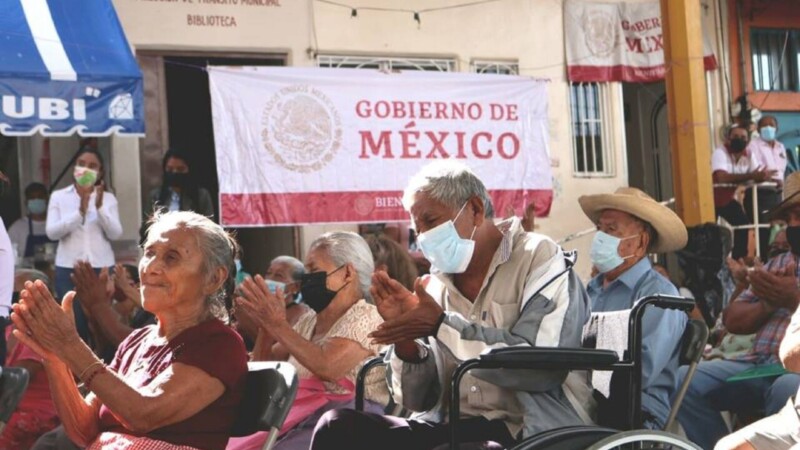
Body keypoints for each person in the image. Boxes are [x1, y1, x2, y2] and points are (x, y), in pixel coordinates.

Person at [310, 161, 592, 450]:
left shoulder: (538, 257)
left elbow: (541, 366)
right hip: (450, 425)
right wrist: (405, 338)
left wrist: (440, 325)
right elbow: (416, 401)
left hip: (526, 428)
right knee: (337, 427)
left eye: (430, 222)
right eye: (417, 229)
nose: (423, 238)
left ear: (475, 210)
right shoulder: (433, 285)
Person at [12, 210, 248, 449]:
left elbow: (143, 413)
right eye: (150, 253)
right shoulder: (138, 340)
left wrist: (69, 345)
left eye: (172, 257)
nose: (151, 267)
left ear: (213, 279)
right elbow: (84, 431)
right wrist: (55, 358)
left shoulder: (219, 344)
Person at [228, 232, 387, 450]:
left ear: (347, 273)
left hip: (345, 423)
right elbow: (266, 367)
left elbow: (327, 366)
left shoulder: (367, 316)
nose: (307, 279)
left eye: (313, 270)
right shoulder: (308, 320)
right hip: (297, 418)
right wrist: (266, 327)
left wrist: (277, 325)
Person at [676, 172, 800, 450]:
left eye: (799, 215)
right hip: (756, 364)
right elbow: (732, 319)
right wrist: (769, 303)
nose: (793, 225)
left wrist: (794, 299)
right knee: (683, 382)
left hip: (796, 370)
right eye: (788, 218)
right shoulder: (777, 264)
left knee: (787, 387)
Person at [579, 187, 689, 430]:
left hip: (633, 411)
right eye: (600, 228)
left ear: (641, 242)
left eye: (611, 230)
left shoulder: (658, 296)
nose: (601, 237)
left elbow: (639, 372)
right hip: (584, 398)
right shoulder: (590, 290)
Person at [46, 148, 123, 345]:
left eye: (92, 166)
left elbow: (115, 233)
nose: (85, 169)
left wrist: (99, 208)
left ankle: (106, 368)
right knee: (74, 324)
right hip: (69, 268)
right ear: (74, 167)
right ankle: (77, 372)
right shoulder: (59, 196)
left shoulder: (108, 198)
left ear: (100, 172)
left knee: (103, 323)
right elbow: (52, 232)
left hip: (101, 267)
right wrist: (79, 211)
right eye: (81, 164)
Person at [0, 270, 59, 450]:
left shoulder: (43, 331)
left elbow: (19, 375)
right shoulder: (10, 328)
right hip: (9, 408)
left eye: (19, 295)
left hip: (35, 413)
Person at [712, 124, 775, 259]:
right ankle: (712, 261)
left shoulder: (749, 154)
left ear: (748, 140)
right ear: (728, 139)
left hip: (727, 200)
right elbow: (722, 177)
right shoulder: (720, 152)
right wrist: (752, 176)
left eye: (743, 137)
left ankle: (737, 259)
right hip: (710, 200)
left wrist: (765, 176)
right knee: (711, 232)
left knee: (743, 225)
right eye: (735, 136)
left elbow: (756, 174)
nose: (739, 139)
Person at [233, 255, 308, 346]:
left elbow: (274, 346)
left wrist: (239, 308)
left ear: (295, 286)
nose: (269, 279)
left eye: (278, 275)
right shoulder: (258, 307)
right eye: (268, 273)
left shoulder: (300, 314)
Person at [745, 116, 787, 257]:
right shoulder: (753, 146)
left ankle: (780, 258)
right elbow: (758, 169)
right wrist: (773, 178)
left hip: (777, 193)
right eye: (764, 125)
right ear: (758, 129)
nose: (768, 128)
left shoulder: (780, 147)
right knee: (764, 230)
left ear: (777, 128)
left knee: (780, 226)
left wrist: (779, 180)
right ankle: (764, 260)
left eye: (771, 125)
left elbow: (781, 169)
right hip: (760, 193)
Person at [145, 148, 214, 220]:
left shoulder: (202, 196)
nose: (175, 173)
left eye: (180, 169)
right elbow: (147, 225)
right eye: (170, 169)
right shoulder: (155, 196)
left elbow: (210, 226)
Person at [7, 183, 56, 260]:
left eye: (40, 197)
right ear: (26, 202)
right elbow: (8, 258)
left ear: (47, 199)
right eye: (32, 198)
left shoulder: (57, 224)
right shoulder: (16, 229)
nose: (36, 200)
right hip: (28, 271)